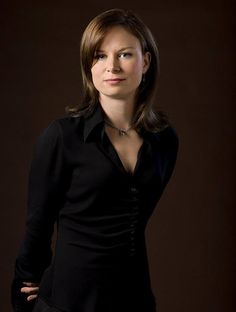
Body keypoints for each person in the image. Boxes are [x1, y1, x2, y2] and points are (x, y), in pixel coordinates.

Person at [11, 8, 179, 312]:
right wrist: (27, 287)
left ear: (146, 61)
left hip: (135, 300)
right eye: (99, 56)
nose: (111, 66)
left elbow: (135, 221)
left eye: (125, 54)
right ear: (89, 65)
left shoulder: (164, 141)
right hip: (68, 301)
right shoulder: (61, 137)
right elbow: (37, 226)